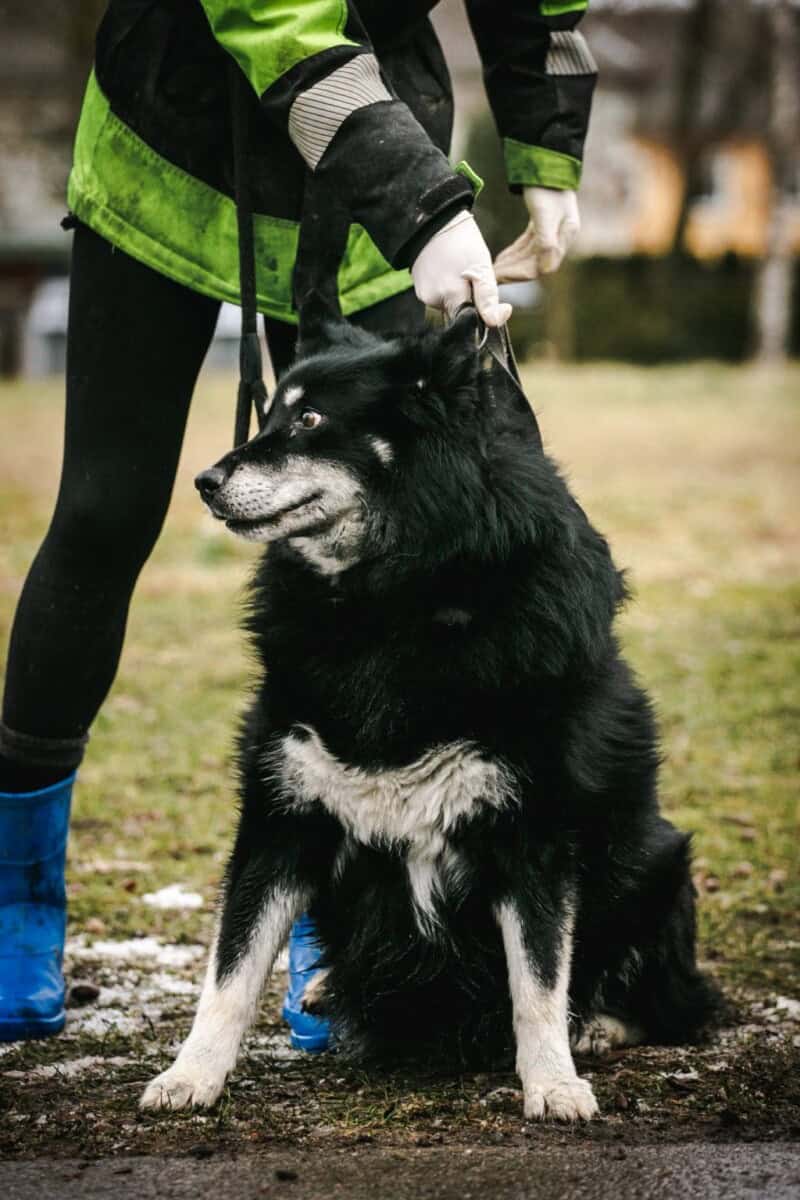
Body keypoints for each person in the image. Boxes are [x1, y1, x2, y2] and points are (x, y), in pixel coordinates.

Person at [0, 0, 596, 1045]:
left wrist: (544, 150)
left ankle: (346, 913)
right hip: (174, 140)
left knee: (381, 540)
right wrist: (424, 208)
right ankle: (16, 897)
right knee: (103, 512)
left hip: (375, 162)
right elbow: (275, 12)